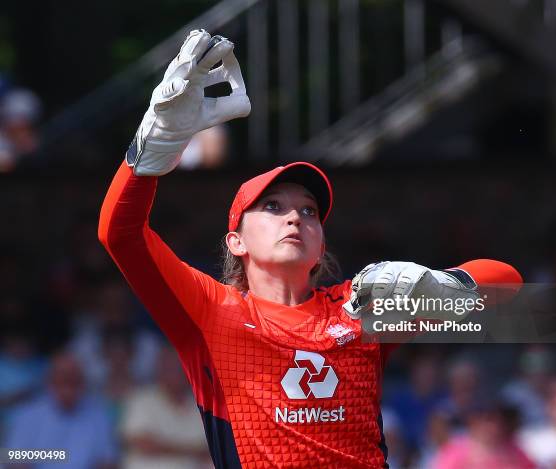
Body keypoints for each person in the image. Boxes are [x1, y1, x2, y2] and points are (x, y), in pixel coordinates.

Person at [98, 29, 522, 468]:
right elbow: (120, 236)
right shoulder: (210, 311)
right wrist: (154, 147)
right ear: (236, 241)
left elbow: (510, 285)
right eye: (274, 207)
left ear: (320, 246)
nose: (295, 218)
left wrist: (446, 286)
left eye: (309, 212)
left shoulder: (360, 308)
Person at [4, 351, 118, 469]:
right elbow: (13, 461)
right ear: (49, 381)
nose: (68, 380)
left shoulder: (98, 416)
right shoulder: (27, 416)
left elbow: (107, 461)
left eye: (74, 378)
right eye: (63, 376)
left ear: (83, 382)